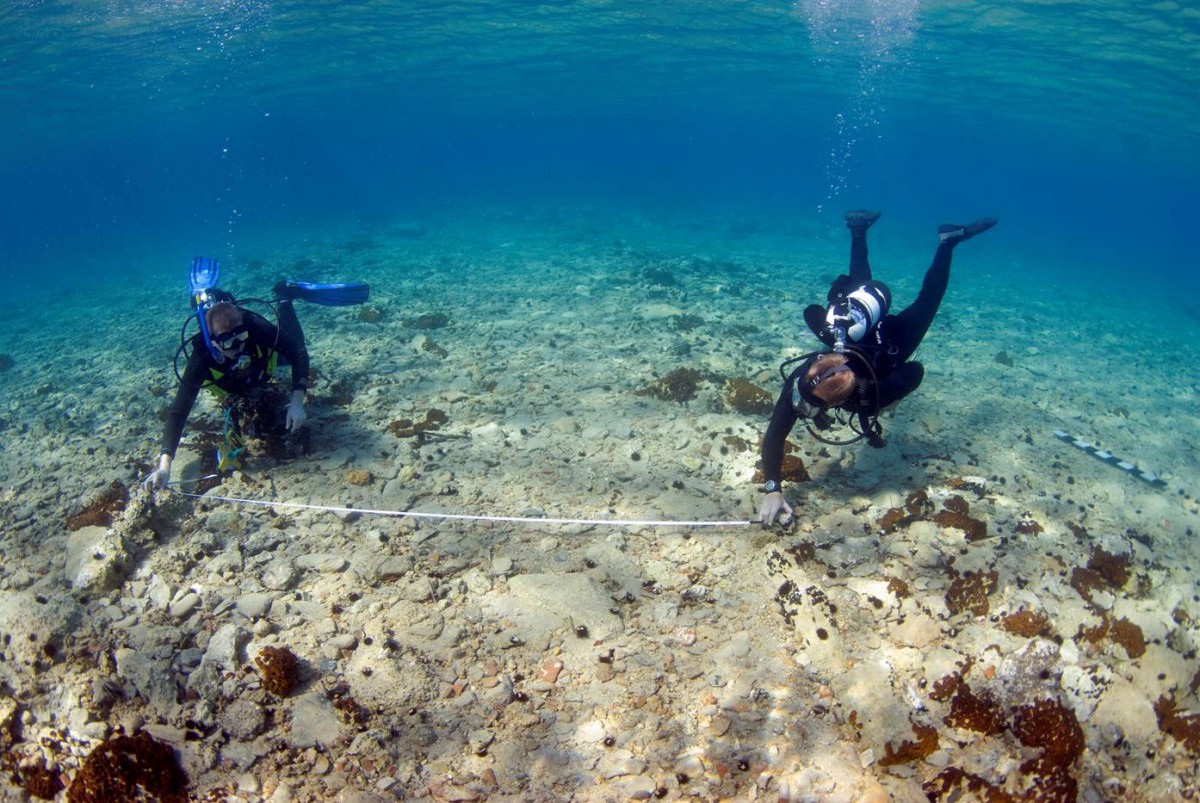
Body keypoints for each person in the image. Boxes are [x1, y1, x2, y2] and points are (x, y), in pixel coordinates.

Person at [759, 210, 997, 525]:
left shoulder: (871, 398)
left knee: (929, 299)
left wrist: (892, 398)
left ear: (839, 401)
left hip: (892, 341)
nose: (799, 407)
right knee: (860, 287)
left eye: (810, 407)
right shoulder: (803, 377)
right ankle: (859, 230)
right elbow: (776, 433)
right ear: (811, 368)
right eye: (802, 401)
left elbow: (916, 372)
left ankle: (947, 243)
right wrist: (772, 489)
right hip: (858, 324)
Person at [143, 257, 369, 490]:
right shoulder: (201, 357)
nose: (240, 347)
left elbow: (298, 353)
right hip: (230, 389)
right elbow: (178, 412)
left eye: (242, 337)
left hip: (264, 368)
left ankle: (285, 296)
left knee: (291, 345)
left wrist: (297, 401)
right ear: (213, 342)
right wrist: (164, 466)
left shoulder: (253, 326)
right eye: (230, 343)